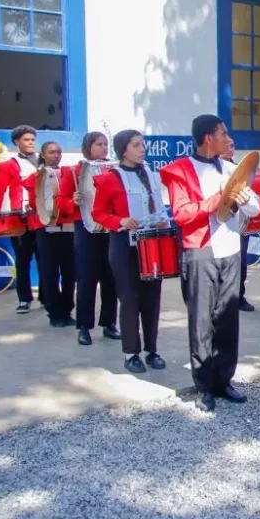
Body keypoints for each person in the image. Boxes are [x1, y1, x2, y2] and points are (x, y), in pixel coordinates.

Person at [161, 115, 260, 411]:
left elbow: (255, 208)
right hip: (200, 250)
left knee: (228, 319)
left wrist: (242, 199)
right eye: (222, 133)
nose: (227, 137)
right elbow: (181, 214)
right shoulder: (180, 170)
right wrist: (218, 199)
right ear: (208, 137)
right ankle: (204, 384)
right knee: (202, 320)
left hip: (230, 250)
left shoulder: (231, 169)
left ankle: (223, 379)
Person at [91, 130, 169, 374]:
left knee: (152, 300)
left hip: (152, 244)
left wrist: (160, 221)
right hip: (124, 247)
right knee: (129, 300)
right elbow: (98, 213)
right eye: (136, 145)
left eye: (142, 144)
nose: (142, 149)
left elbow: (159, 206)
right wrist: (121, 221)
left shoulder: (151, 175)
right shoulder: (109, 179)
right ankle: (131, 353)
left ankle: (152, 350)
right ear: (123, 150)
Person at [56, 132, 120, 346]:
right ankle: (84, 326)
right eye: (99, 144)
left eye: (105, 144)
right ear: (88, 147)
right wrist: (71, 201)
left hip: (110, 227)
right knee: (87, 278)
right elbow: (61, 201)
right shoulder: (75, 171)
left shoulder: (115, 169)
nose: (103, 148)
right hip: (85, 228)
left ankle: (109, 323)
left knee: (111, 278)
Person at [0, 125, 43, 314]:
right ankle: (24, 299)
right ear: (16, 142)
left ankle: (46, 296)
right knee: (23, 260)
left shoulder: (44, 161)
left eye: (32, 140)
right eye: (26, 140)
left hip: (43, 217)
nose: (30, 143)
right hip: (21, 219)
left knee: (45, 259)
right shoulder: (9, 165)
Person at [32, 141, 77, 328]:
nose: (56, 155)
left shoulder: (69, 174)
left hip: (68, 229)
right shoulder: (36, 177)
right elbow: (36, 202)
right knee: (49, 272)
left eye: (58, 152)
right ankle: (54, 311)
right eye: (51, 152)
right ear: (43, 154)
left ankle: (67, 309)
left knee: (70, 272)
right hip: (46, 230)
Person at [220, 138, 255, 313]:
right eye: (226, 145)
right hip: (220, 226)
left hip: (240, 224)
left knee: (241, 264)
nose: (230, 148)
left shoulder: (240, 171)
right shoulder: (216, 171)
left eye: (232, 145)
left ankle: (239, 296)